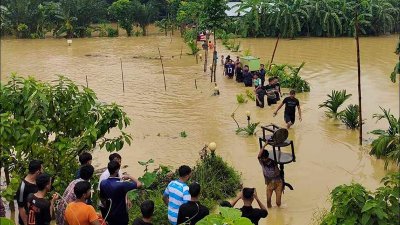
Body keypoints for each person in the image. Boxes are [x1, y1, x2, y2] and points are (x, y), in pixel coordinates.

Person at [99, 161, 142, 225]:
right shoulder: (122, 184)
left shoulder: (103, 183)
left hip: (110, 216)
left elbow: (103, 200)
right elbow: (139, 184)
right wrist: (129, 176)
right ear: (117, 170)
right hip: (121, 217)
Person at [15, 160, 43, 225]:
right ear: (38, 172)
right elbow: (21, 208)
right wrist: (26, 223)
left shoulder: (37, 181)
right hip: (27, 220)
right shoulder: (23, 187)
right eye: (42, 169)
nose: (42, 171)